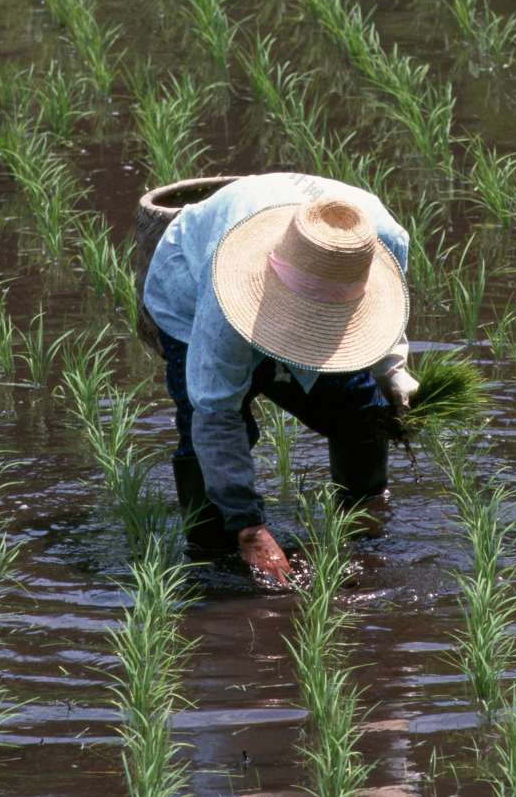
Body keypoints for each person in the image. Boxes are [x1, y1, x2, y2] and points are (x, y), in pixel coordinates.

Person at [141, 172, 418, 587]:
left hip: (307, 265)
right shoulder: (223, 295)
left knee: (360, 409)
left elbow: (385, 307)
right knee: (207, 438)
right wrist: (249, 527)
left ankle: (364, 521)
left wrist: (392, 369)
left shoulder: (379, 237)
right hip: (190, 288)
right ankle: (214, 558)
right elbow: (215, 412)